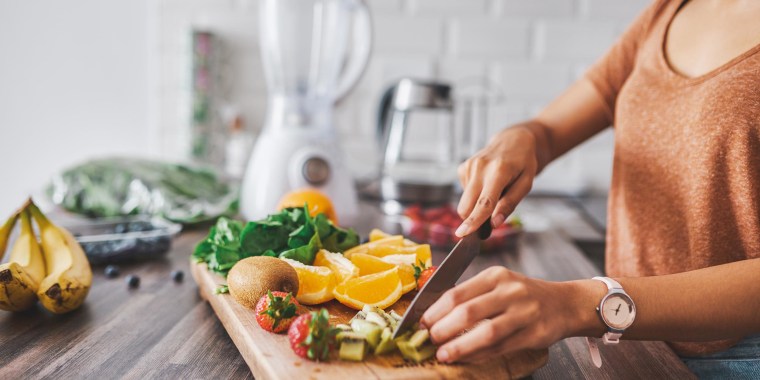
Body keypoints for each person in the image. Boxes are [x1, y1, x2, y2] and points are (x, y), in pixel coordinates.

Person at [419, 0, 760, 378]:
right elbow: (547, 132)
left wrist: (581, 304)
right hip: (629, 342)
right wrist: (520, 137)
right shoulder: (668, 12)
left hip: (734, 360)